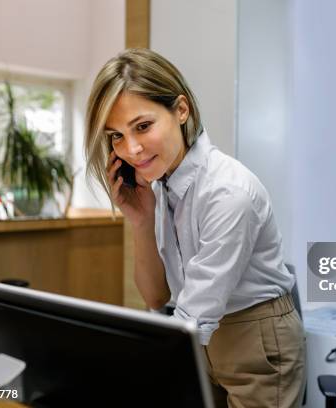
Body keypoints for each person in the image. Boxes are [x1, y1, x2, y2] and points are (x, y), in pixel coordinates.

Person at [84, 48, 305, 408]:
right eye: (116, 136)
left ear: (181, 110)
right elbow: (156, 298)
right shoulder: (160, 185)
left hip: (253, 335)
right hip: (198, 331)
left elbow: (191, 316)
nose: (132, 149)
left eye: (142, 126)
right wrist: (140, 220)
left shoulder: (228, 192)